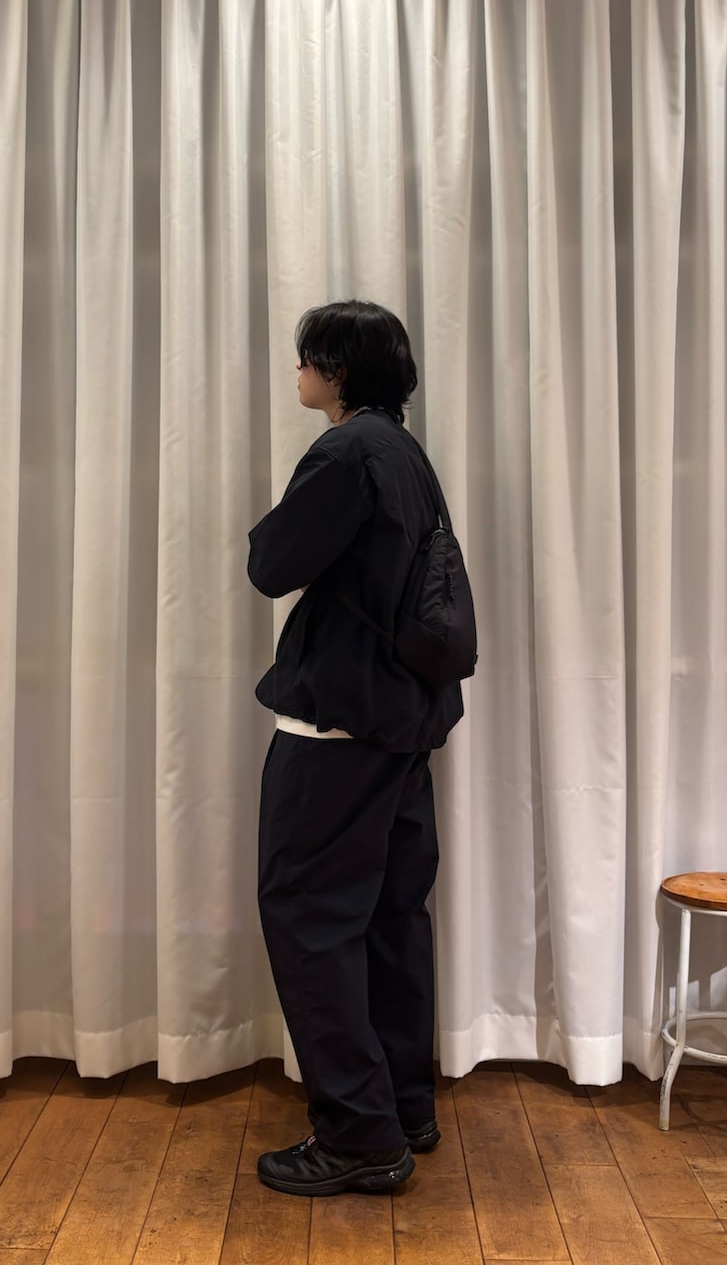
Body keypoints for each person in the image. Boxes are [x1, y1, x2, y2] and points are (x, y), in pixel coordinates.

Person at [247, 300, 467, 1197]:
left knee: (308, 916)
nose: (297, 370)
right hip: (398, 721)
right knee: (387, 916)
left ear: (338, 370)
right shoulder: (404, 452)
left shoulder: (346, 452)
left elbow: (270, 563)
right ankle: (403, 1106)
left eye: (308, 358)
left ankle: (359, 1134)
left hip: (338, 728)